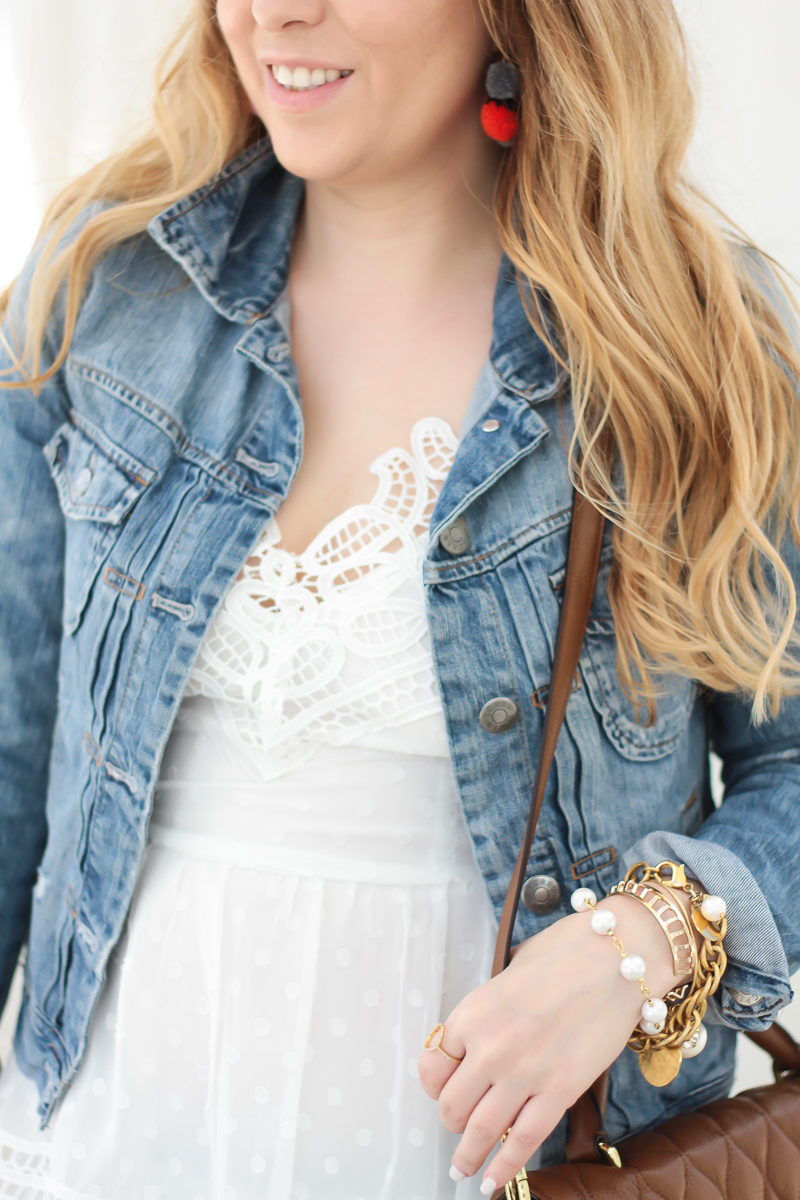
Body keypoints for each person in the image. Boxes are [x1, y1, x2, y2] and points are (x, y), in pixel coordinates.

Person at [1, 0, 799, 1197]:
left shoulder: (687, 341)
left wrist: (640, 942)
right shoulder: (106, 288)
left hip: (487, 1169)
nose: (274, 11)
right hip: (111, 1142)